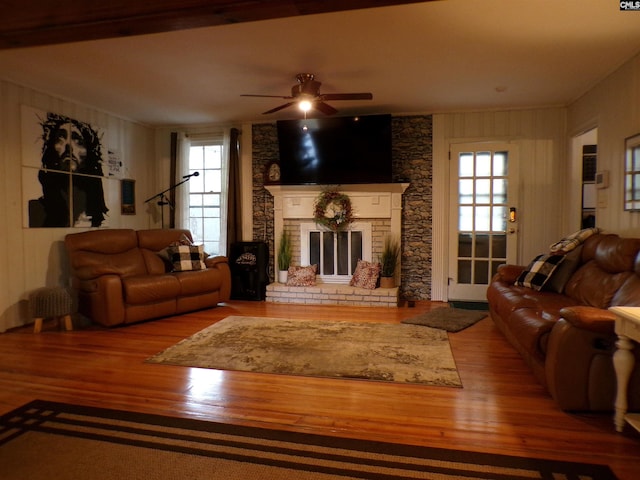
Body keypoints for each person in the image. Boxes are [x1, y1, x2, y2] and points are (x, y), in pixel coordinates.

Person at [30, 113, 108, 227]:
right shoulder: (36, 210)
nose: (68, 146)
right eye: (60, 138)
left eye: (78, 140)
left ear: (89, 154)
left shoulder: (96, 215)